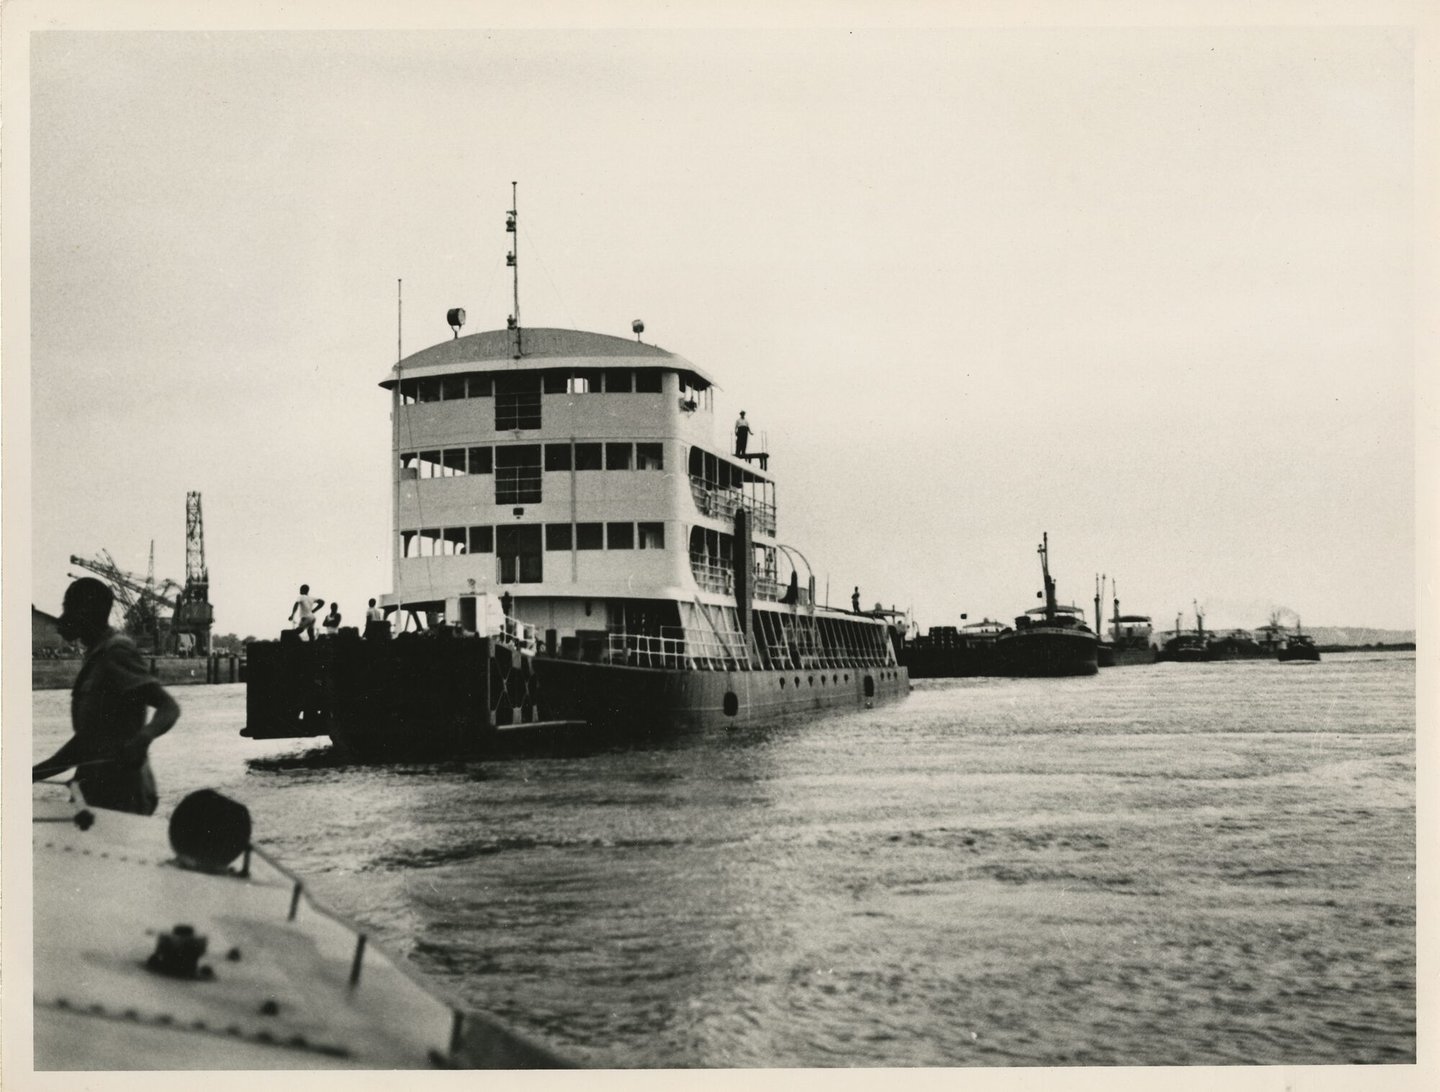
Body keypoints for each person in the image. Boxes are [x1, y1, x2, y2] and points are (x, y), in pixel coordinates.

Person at [32, 578, 181, 815]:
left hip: (122, 797)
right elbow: (85, 743)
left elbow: (168, 706)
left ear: (86, 611)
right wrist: (31, 775)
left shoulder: (116, 652)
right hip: (94, 792)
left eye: (68, 608)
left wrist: (143, 739)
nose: (63, 617)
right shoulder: (96, 655)